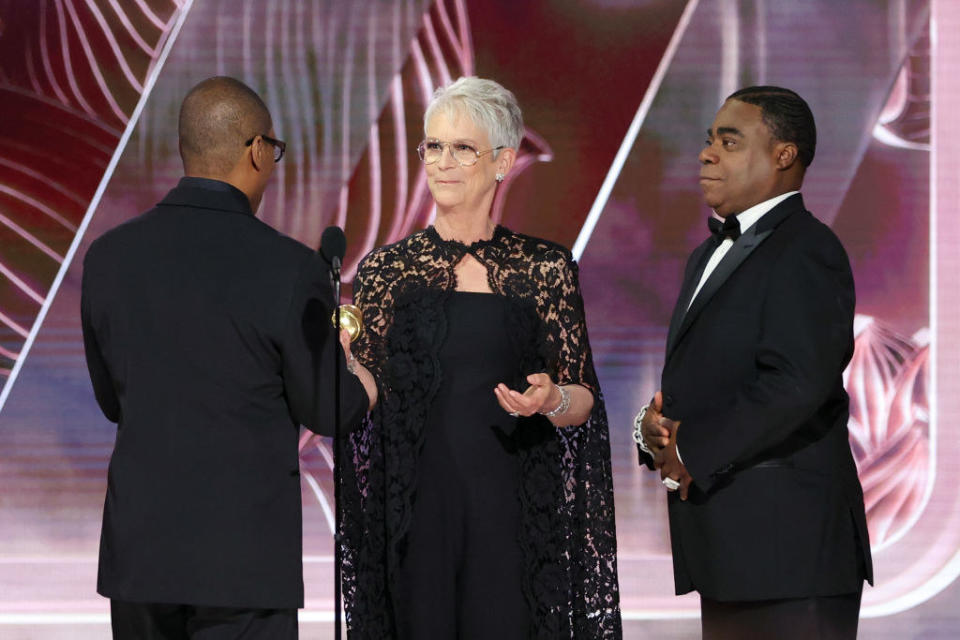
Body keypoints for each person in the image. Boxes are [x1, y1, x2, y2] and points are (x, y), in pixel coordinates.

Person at [81, 76, 376, 639]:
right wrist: (363, 378)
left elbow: (112, 401)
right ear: (257, 151)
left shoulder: (109, 258)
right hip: (245, 563)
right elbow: (327, 410)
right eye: (275, 149)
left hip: (141, 557)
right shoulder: (292, 268)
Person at [339, 76, 621, 639]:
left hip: (511, 515)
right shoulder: (385, 271)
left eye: (461, 148)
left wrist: (551, 399)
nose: (442, 162)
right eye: (433, 146)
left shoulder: (544, 268)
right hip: (415, 519)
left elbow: (582, 396)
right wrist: (344, 364)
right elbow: (365, 395)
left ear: (503, 161)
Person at [635, 86, 873, 639]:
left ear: (783, 156)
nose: (706, 153)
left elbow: (796, 383)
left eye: (730, 140)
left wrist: (690, 448)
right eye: (708, 139)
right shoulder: (705, 255)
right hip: (728, 554)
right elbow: (704, 382)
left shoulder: (808, 248)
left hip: (789, 555)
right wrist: (654, 431)